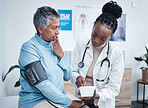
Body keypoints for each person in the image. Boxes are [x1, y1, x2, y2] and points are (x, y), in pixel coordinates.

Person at [18, 6, 84, 108]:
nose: (58, 32)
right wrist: (69, 102)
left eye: (58, 27)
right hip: (35, 100)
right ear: (40, 29)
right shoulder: (29, 48)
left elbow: (67, 76)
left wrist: (62, 56)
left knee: (84, 106)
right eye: (54, 28)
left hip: (58, 95)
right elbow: (42, 84)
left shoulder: (54, 46)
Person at [71, 1, 124, 108]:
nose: (96, 40)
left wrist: (96, 95)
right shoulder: (82, 44)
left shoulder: (116, 54)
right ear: (93, 26)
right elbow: (72, 70)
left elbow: (113, 88)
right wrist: (77, 77)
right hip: (81, 101)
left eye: (103, 39)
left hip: (102, 103)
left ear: (110, 37)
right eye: (94, 34)